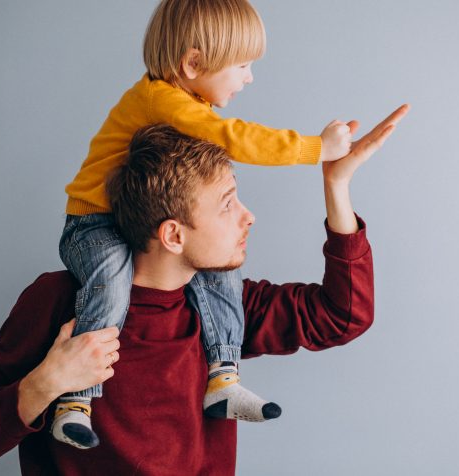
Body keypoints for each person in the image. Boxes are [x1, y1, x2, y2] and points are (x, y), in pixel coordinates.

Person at [0, 106, 408, 475]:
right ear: (173, 235)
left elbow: (344, 315)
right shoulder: (56, 301)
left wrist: (337, 185)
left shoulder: (222, 307)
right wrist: (47, 383)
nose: (248, 216)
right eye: (228, 205)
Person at [56, 0, 355, 449]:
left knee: (221, 270)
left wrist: (339, 186)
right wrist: (316, 149)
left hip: (140, 221)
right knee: (112, 286)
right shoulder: (164, 100)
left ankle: (223, 377)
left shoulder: (185, 102)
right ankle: (77, 398)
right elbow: (235, 137)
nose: (249, 77)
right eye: (242, 65)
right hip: (93, 222)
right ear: (193, 63)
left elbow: (339, 315)